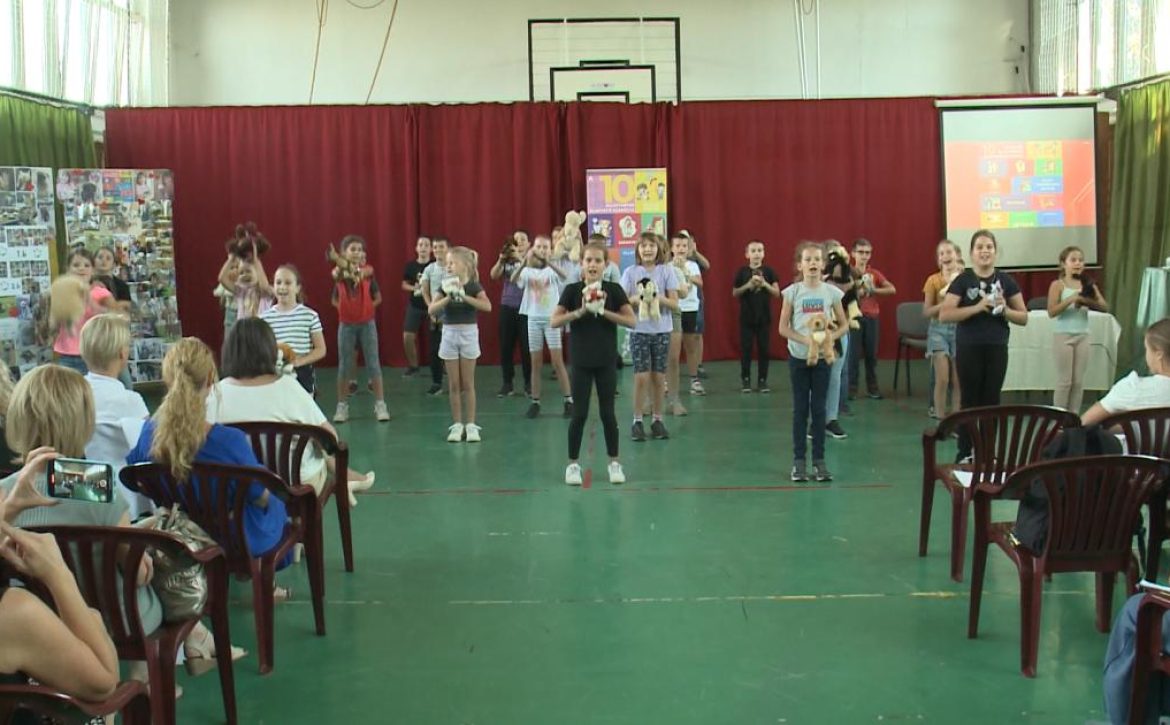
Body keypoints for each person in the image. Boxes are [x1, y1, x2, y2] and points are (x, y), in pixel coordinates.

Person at [5, 363, 245, 681]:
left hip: (44, 622)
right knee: (160, 570)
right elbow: (139, 571)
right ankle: (155, 675)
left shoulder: (7, 493)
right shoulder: (91, 482)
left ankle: (191, 649)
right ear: (82, 421)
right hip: (118, 618)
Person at [126, 338, 292, 589]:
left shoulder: (148, 435)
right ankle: (266, 576)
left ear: (167, 378)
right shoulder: (228, 442)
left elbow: (135, 479)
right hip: (233, 538)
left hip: (179, 535)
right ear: (210, 379)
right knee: (276, 500)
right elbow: (260, 497)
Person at [208, 318, 373, 508]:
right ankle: (343, 480)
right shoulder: (288, 388)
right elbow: (330, 441)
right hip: (294, 490)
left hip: (236, 493)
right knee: (317, 446)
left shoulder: (214, 394)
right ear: (269, 350)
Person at [939, 229, 1028, 462]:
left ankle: (988, 453)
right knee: (970, 400)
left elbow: (1023, 317)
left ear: (995, 252)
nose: (985, 251)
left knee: (991, 400)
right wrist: (977, 308)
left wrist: (1004, 309)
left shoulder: (1006, 281)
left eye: (989, 247)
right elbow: (945, 315)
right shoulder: (963, 280)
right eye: (979, 247)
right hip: (969, 347)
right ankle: (965, 451)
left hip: (997, 346)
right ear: (971, 253)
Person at [552, 242, 636, 486]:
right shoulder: (571, 290)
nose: (592, 265)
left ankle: (614, 463)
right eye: (588, 260)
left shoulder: (614, 289)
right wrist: (580, 312)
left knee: (608, 413)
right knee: (579, 414)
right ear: (581, 264)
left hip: (606, 360)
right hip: (581, 361)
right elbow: (554, 321)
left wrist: (602, 311)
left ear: (605, 265)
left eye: (598, 261)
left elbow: (631, 321)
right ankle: (572, 465)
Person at [779, 242, 848, 483]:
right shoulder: (792, 292)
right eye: (808, 259)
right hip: (799, 358)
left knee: (819, 410)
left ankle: (819, 461)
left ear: (823, 264)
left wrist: (830, 337)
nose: (813, 264)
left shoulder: (831, 293)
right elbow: (782, 328)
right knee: (801, 410)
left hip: (822, 361)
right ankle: (799, 462)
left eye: (817, 259)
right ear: (800, 265)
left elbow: (844, 324)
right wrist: (805, 340)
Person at [80, 314, 152, 517]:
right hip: (127, 493)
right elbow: (150, 446)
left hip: (83, 487)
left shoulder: (74, 396)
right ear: (123, 354)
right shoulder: (131, 400)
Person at [428, 247, 491, 442]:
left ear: (464, 266)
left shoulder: (474, 286)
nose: (448, 266)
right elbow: (432, 309)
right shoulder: (443, 286)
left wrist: (463, 295)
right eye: (447, 263)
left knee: (468, 384)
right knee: (454, 384)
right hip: (449, 334)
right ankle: (457, 425)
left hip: (469, 333)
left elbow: (487, 306)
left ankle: (471, 425)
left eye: (452, 263)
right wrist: (448, 296)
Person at [621, 232, 679, 441]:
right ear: (637, 250)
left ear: (659, 250)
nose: (647, 249)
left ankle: (657, 419)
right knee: (641, 377)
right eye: (643, 246)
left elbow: (674, 303)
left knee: (658, 377)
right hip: (639, 332)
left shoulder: (666, 271)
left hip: (662, 331)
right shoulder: (630, 272)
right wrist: (637, 299)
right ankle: (637, 420)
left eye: (651, 246)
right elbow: (622, 302)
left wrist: (656, 297)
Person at [330, 235, 390, 423]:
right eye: (352, 249)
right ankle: (342, 406)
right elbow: (339, 274)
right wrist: (339, 262)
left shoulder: (368, 271)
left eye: (359, 249)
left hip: (367, 324)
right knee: (344, 366)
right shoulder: (337, 272)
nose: (357, 252)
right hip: (346, 325)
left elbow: (364, 272)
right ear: (344, 253)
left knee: (373, 362)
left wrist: (369, 307)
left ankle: (380, 404)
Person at [513, 234, 572, 418]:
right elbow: (515, 279)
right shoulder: (527, 271)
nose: (542, 250)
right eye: (539, 247)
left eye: (546, 247)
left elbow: (565, 276)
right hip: (533, 318)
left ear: (550, 250)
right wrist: (523, 262)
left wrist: (550, 261)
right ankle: (535, 401)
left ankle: (568, 400)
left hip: (551, 319)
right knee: (535, 363)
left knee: (557, 360)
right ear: (533, 248)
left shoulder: (552, 270)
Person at [1048, 246, 1109, 412]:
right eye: (1073, 260)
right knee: (1065, 381)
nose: (1077, 263)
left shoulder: (1088, 284)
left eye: (1080, 260)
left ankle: (1073, 417)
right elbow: (1052, 311)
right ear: (1063, 264)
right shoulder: (1058, 284)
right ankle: (1059, 418)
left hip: (1083, 335)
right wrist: (1071, 299)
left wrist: (1086, 300)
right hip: (1063, 335)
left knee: (1078, 381)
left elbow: (1104, 307)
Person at [1081, 318, 1170, 426]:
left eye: (1147, 349)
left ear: (1158, 354)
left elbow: (1084, 423)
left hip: (1133, 442)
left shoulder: (1132, 387)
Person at [261, 264, 327, 396]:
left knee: (303, 413)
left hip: (302, 373)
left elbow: (320, 349)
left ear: (297, 288)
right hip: (275, 373)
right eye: (278, 282)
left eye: (288, 283)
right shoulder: (264, 318)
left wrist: (299, 362)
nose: (282, 287)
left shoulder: (309, 315)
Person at [51, 249, 120, 374]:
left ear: (93, 270)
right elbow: (55, 322)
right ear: (68, 269)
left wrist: (90, 301)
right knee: (68, 391)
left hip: (92, 355)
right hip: (66, 354)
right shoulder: (62, 292)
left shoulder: (99, 292)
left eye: (87, 265)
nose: (81, 269)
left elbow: (115, 317)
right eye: (76, 265)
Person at [848, 238, 896, 399]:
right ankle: (851, 388)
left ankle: (872, 387)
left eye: (867, 253)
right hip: (853, 318)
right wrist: (855, 292)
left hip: (871, 318)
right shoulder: (847, 273)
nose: (864, 256)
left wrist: (873, 290)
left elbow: (891, 289)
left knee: (871, 355)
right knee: (852, 355)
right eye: (860, 252)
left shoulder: (873, 274)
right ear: (853, 253)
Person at [922, 240, 964, 419]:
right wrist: (945, 303)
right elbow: (927, 311)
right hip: (938, 330)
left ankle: (955, 419)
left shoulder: (964, 279)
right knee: (943, 379)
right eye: (942, 254)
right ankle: (940, 418)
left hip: (960, 329)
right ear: (938, 260)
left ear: (957, 256)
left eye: (949, 252)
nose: (946, 256)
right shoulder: (933, 280)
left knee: (957, 380)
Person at [732, 240, 780, 393]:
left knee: (764, 349)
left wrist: (765, 284)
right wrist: (748, 285)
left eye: (760, 250)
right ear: (747, 254)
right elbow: (735, 292)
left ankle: (762, 380)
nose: (757, 254)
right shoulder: (742, 272)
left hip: (764, 317)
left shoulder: (769, 271)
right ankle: (745, 379)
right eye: (753, 251)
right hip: (746, 317)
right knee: (746, 349)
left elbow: (777, 293)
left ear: (764, 253)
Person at [489, 230, 531, 397]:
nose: (519, 242)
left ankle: (529, 383)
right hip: (507, 306)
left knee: (527, 348)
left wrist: (520, 258)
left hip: (527, 308)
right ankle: (508, 383)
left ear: (529, 244)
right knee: (506, 346)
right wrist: (501, 260)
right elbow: (493, 275)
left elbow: (533, 274)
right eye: (516, 240)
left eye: (523, 239)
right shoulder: (507, 259)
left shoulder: (532, 259)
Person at [679, 230, 711, 389]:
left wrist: (695, 252)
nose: (682, 247)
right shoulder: (670, 263)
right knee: (674, 341)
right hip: (676, 306)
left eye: (686, 243)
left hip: (694, 303)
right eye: (679, 244)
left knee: (695, 337)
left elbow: (706, 266)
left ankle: (697, 369)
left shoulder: (693, 263)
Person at [420, 236, 450, 396]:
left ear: (448, 249)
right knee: (434, 351)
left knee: (452, 351)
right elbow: (424, 290)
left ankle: (456, 384)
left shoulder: (453, 267)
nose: (438, 250)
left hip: (452, 315)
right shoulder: (429, 269)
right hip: (435, 315)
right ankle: (436, 382)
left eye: (441, 247)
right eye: (436, 247)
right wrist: (430, 308)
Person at [401, 236, 432, 378]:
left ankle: (443, 366)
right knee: (407, 336)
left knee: (440, 337)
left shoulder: (435, 264)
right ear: (416, 248)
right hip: (415, 305)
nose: (423, 247)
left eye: (426, 245)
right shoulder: (411, 266)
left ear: (431, 249)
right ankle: (413, 366)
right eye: (421, 245)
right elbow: (403, 284)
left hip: (433, 304)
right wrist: (414, 287)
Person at [217, 244, 273, 320]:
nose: (245, 275)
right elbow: (222, 279)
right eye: (241, 273)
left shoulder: (264, 291)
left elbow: (264, 286)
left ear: (258, 272)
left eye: (248, 271)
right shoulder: (240, 291)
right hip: (244, 329)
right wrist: (231, 259)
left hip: (260, 329)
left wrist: (256, 260)